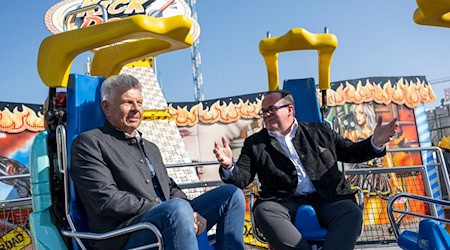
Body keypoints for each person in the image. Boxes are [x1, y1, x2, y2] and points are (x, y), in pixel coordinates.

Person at [70, 74, 245, 250]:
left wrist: (191, 211)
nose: (136, 109)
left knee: (231, 195)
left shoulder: (150, 147)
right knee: (176, 209)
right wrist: (166, 207)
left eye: (139, 103)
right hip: (124, 234)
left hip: (168, 217)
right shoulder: (90, 143)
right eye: (127, 102)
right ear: (106, 108)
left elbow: (170, 188)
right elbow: (106, 200)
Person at [213, 90, 398, 250]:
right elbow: (242, 178)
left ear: (290, 110)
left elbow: (351, 152)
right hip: (282, 201)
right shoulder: (255, 144)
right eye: (264, 111)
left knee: (351, 212)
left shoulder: (319, 132)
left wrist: (376, 142)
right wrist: (229, 166)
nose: (266, 114)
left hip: (328, 196)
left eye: (271, 109)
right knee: (263, 211)